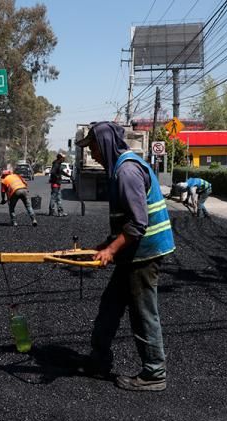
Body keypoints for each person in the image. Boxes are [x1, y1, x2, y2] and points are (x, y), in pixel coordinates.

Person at [75, 121, 175, 392]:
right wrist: (105, 244)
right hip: (133, 253)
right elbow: (124, 224)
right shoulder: (121, 167)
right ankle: (99, 359)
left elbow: (137, 224)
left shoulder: (127, 171)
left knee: (143, 314)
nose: (92, 153)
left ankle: (154, 373)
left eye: (93, 146)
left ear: (104, 143)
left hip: (145, 254)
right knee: (109, 306)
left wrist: (110, 250)